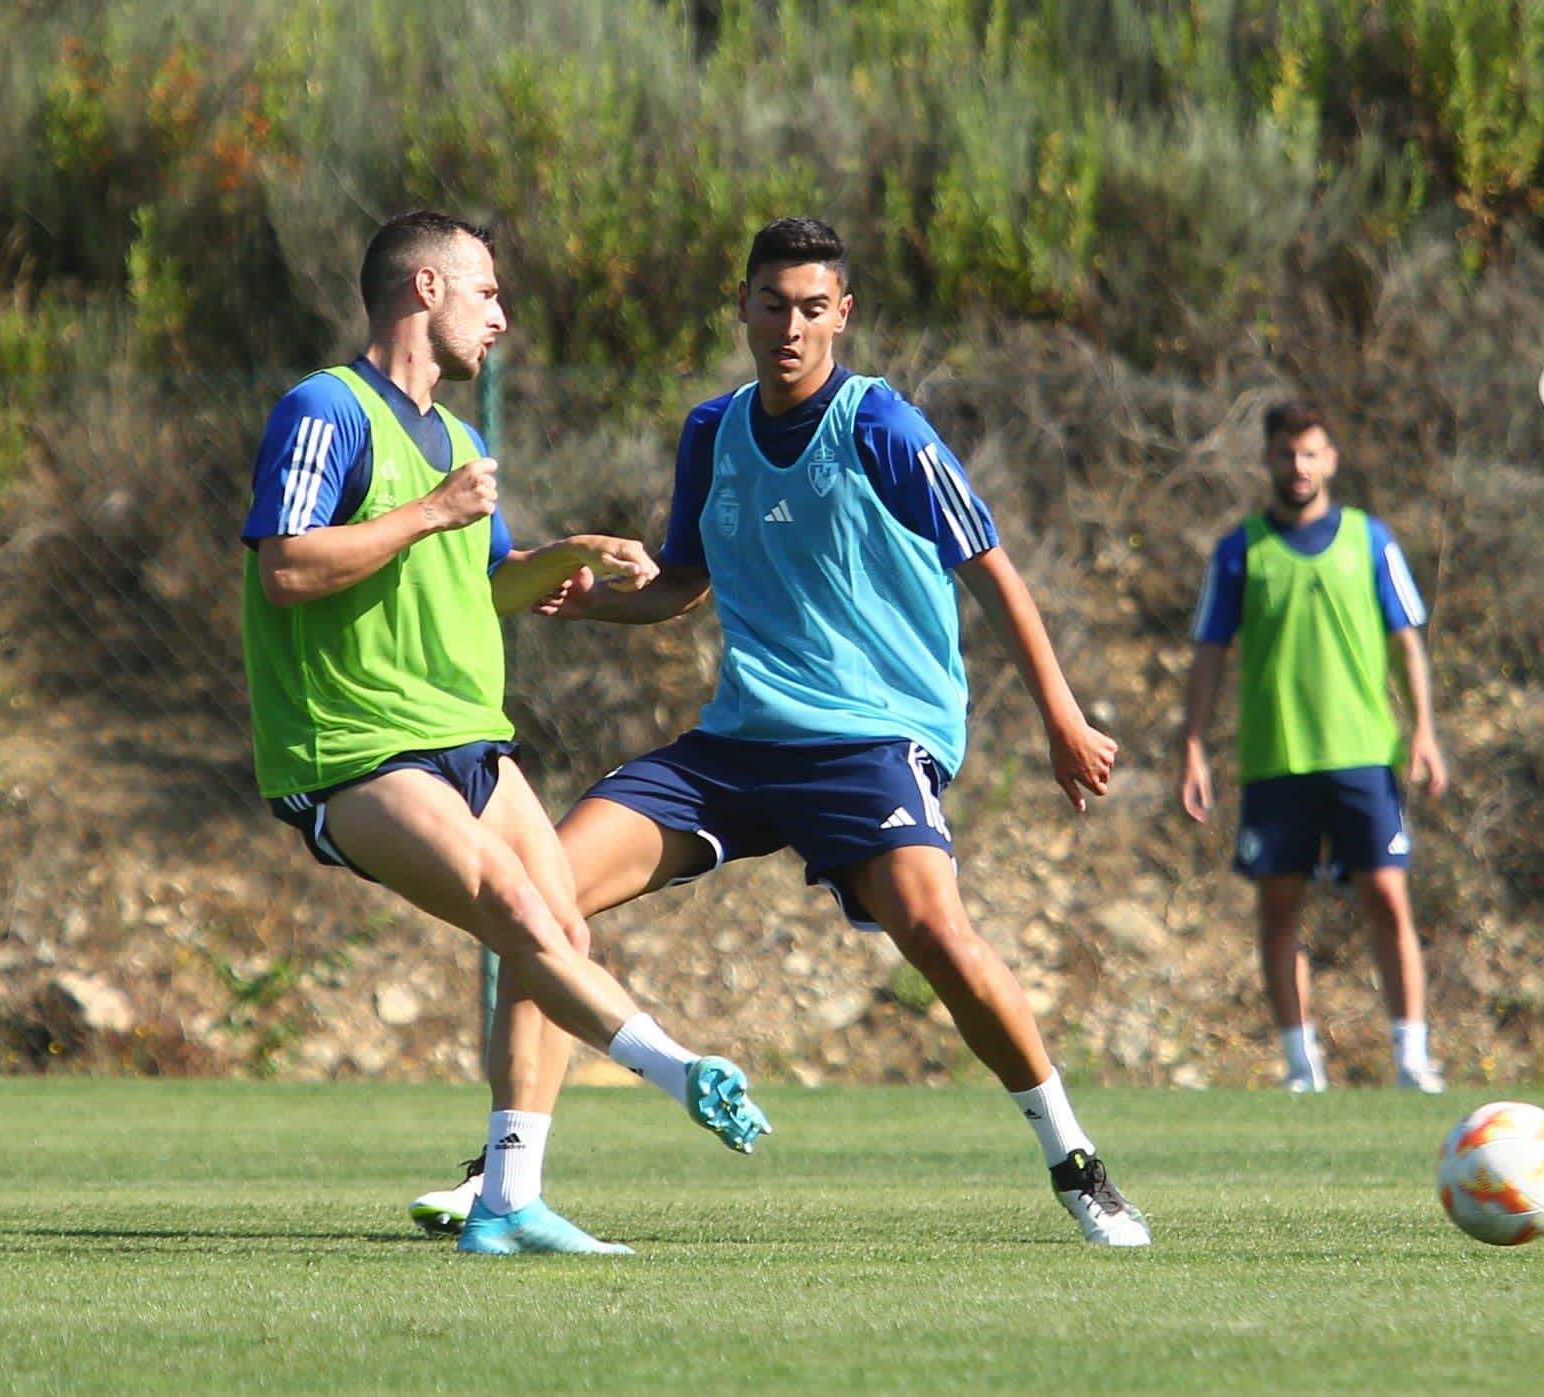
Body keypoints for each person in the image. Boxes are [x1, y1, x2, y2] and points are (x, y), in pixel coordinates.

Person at [412, 216, 1149, 1247]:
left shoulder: (881, 425)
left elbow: (988, 565)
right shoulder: (712, 430)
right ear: (744, 309)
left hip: (870, 739)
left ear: (842, 314)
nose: (790, 327)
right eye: (773, 305)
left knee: (936, 934)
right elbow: (682, 582)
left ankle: (1075, 1161)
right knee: (538, 901)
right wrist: (589, 602)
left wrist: (1061, 716)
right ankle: (503, 1179)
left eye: (811, 308)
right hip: (739, 744)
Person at [242, 210, 770, 1257]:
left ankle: (508, 1201)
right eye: (485, 292)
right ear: (425, 288)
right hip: (355, 746)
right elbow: (287, 567)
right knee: (517, 910)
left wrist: (567, 558)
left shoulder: (464, 442)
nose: (501, 317)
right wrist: (430, 513)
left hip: (470, 738)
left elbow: (485, 584)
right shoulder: (325, 408)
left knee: (560, 929)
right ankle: (678, 1069)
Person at [1175, 401, 1450, 1093]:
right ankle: (1302, 1067)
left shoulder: (1370, 539)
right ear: (1267, 459)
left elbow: (1407, 641)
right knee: (1279, 908)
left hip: (1364, 753)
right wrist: (1193, 744)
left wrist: (1424, 728)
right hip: (1278, 758)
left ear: (1330, 459)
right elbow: (1209, 653)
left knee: (1387, 896)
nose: (1297, 466)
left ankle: (1412, 1058)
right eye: (1285, 453)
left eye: (1309, 453)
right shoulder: (1239, 551)